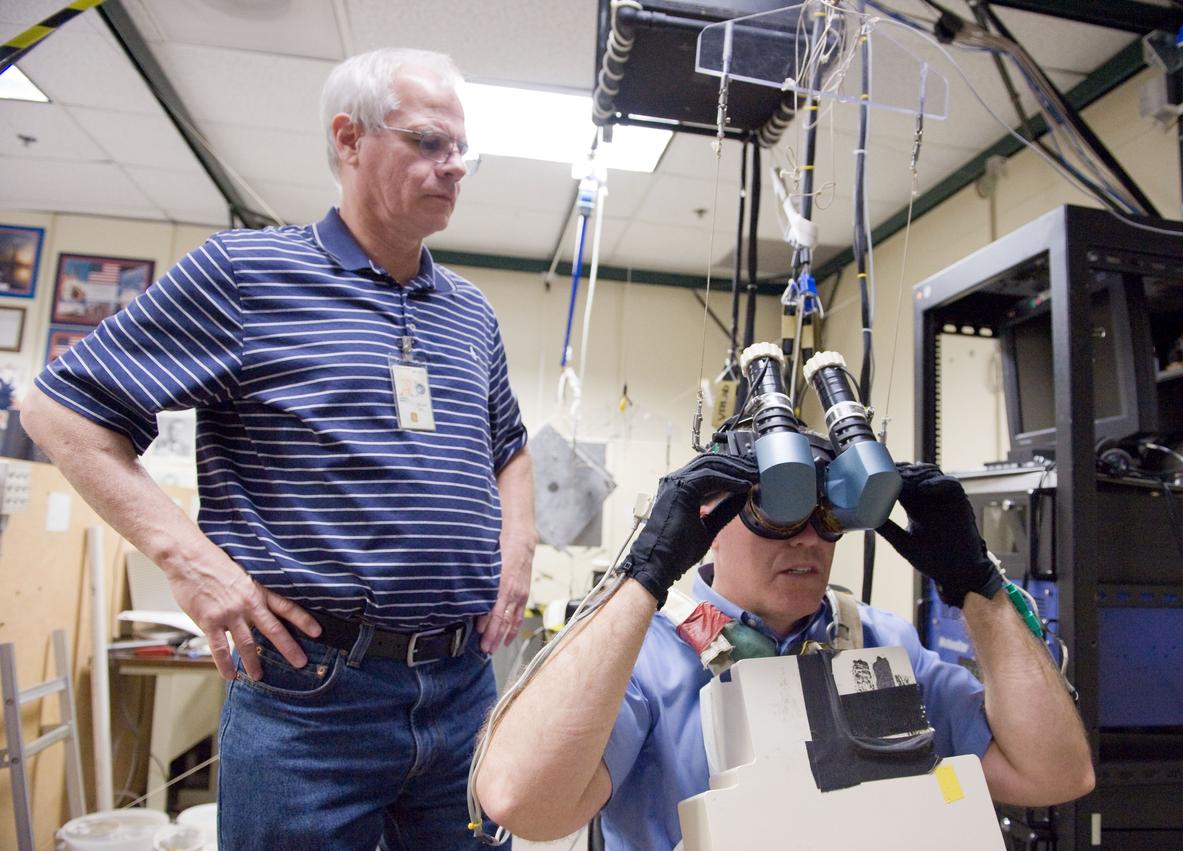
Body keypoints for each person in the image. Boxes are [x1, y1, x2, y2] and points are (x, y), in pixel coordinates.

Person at [22, 48, 533, 850]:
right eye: (429, 142)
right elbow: (59, 410)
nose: (454, 166)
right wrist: (190, 562)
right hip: (312, 694)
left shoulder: (468, 312)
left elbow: (510, 446)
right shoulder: (245, 275)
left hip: (462, 686)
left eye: (462, 149)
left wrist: (518, 544)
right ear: (349, 138)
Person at [473, 446, 1094, 849]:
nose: (808, 542)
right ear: (709, 524)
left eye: (825, 518)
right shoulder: (644, 657)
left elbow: (1057, 774)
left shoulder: (879, 642)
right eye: (777, 512)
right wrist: (644, 578)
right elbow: (522, 805)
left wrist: (977, 587)